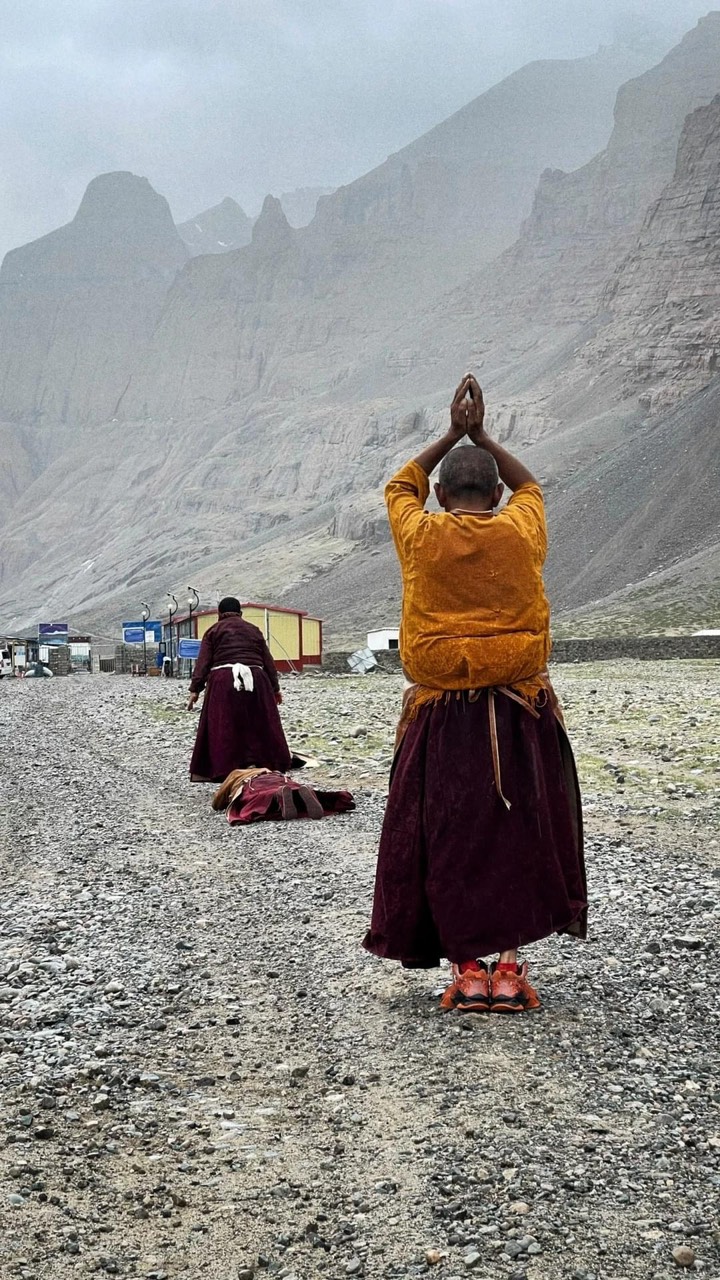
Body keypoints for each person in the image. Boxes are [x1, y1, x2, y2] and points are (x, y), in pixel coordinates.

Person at [363, 375, 587, 1014]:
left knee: (450, 833)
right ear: (495, 493)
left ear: (439, 495)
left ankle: (466, 969)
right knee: (517, 831)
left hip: (443, 716)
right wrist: (483, 435)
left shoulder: (422, 537)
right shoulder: (520, 532)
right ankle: (510, 969)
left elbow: (398, 486)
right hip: (522, 712)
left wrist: (451, 434)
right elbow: (533, 487)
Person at [187, 597, 292, 782]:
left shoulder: (213, 631)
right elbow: (268, 662)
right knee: (257, 720)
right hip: (256, 679)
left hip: (223, 680)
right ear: (241, 614)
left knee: (224, 722)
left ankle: (225, 766)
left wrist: (195, 689)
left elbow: (203, 662)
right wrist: (275, 689)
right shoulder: (253, 630)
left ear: (219, 614)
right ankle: (261, 762)